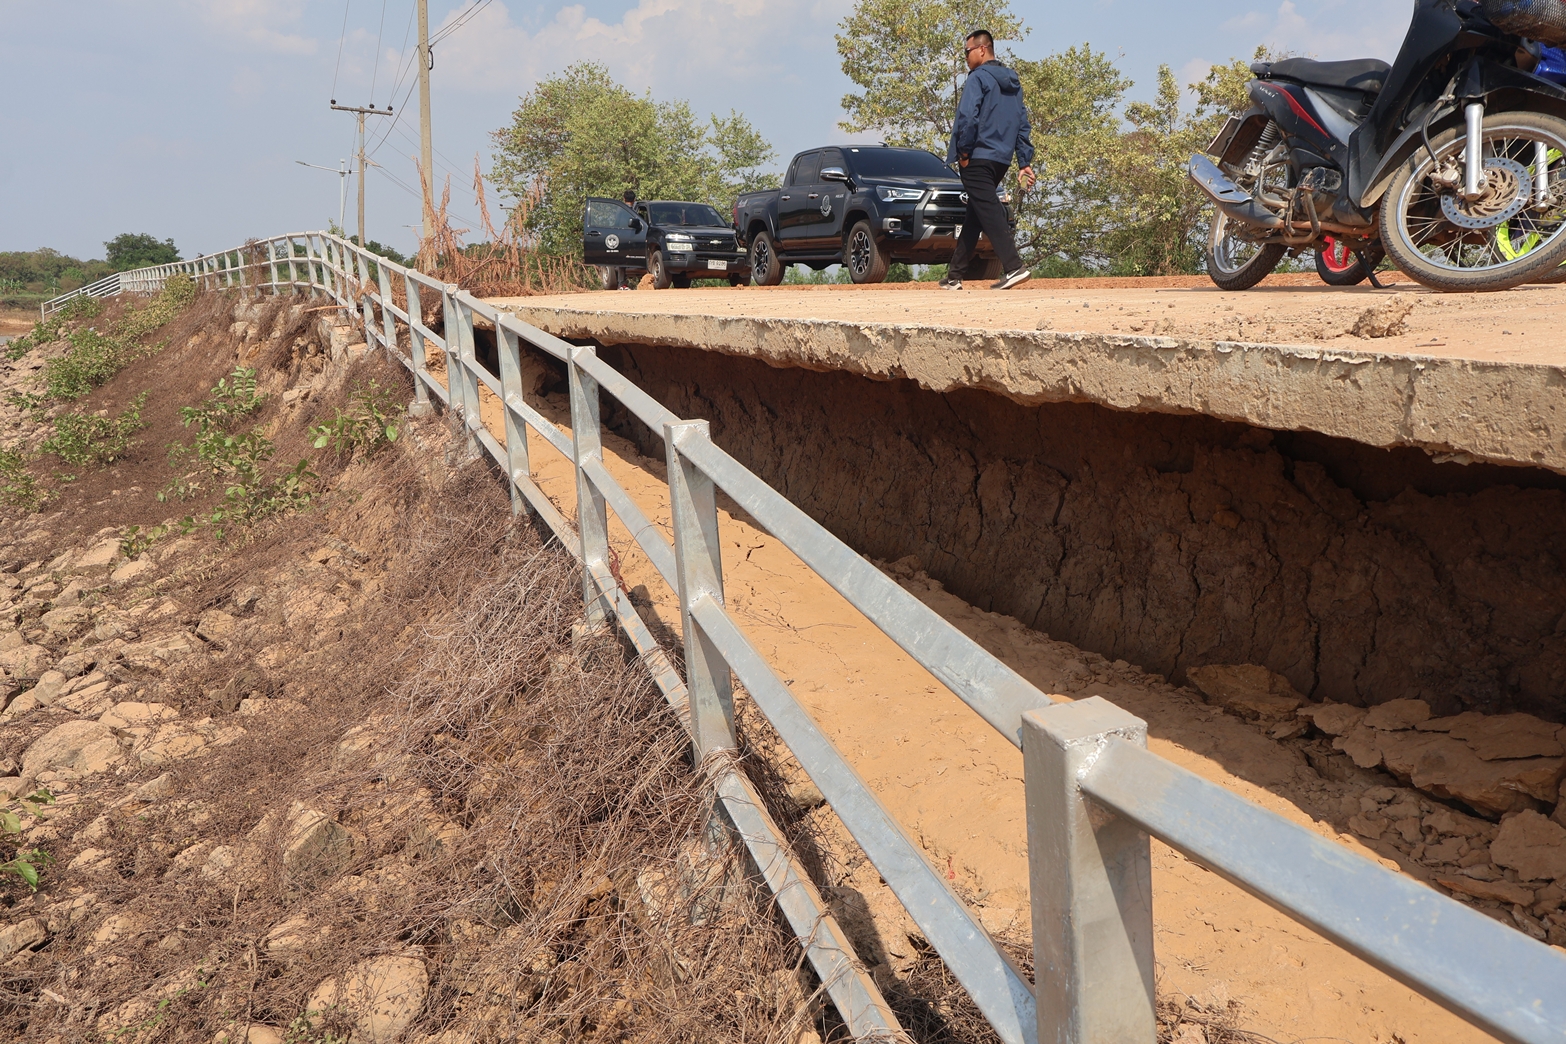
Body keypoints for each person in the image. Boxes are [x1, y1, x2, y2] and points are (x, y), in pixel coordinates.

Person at [942, 29, 1036, 290]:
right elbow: (1022, 123)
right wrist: (1024, 161)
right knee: (977, 210)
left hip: (976, 156)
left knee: (989, 209)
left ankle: (1014, 266)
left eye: (967, 52)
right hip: (1001, 158)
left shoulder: (977, 78)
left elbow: (967, 118)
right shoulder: (1013, 82)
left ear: (982, 49)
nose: (965, 57)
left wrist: (963, 153)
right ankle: (954, 275)